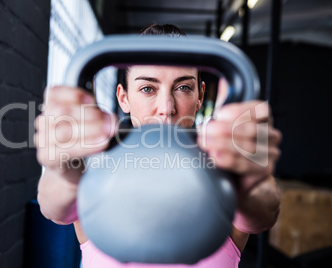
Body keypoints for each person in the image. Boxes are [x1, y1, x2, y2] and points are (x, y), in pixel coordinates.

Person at [34, 24, 282, 267]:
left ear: (200, 97)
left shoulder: (224, 169)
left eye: (183, 87)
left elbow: (264, 211)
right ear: (124, 98)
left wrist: (252, 177)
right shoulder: (96, 167)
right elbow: (53, 206)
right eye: (147, 88)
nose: (166, 108)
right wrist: (63, 168)